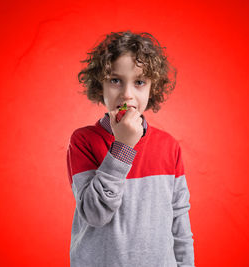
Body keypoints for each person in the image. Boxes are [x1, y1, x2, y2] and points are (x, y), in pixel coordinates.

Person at [67, 30, 195, 267]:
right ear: (100, 85)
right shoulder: (83, 141)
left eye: (139, 82)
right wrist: (123, 146)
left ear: (152, 88)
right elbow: (95, 214)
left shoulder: (169, 146)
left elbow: (179, 221)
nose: (127, 94)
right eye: (115, 80)